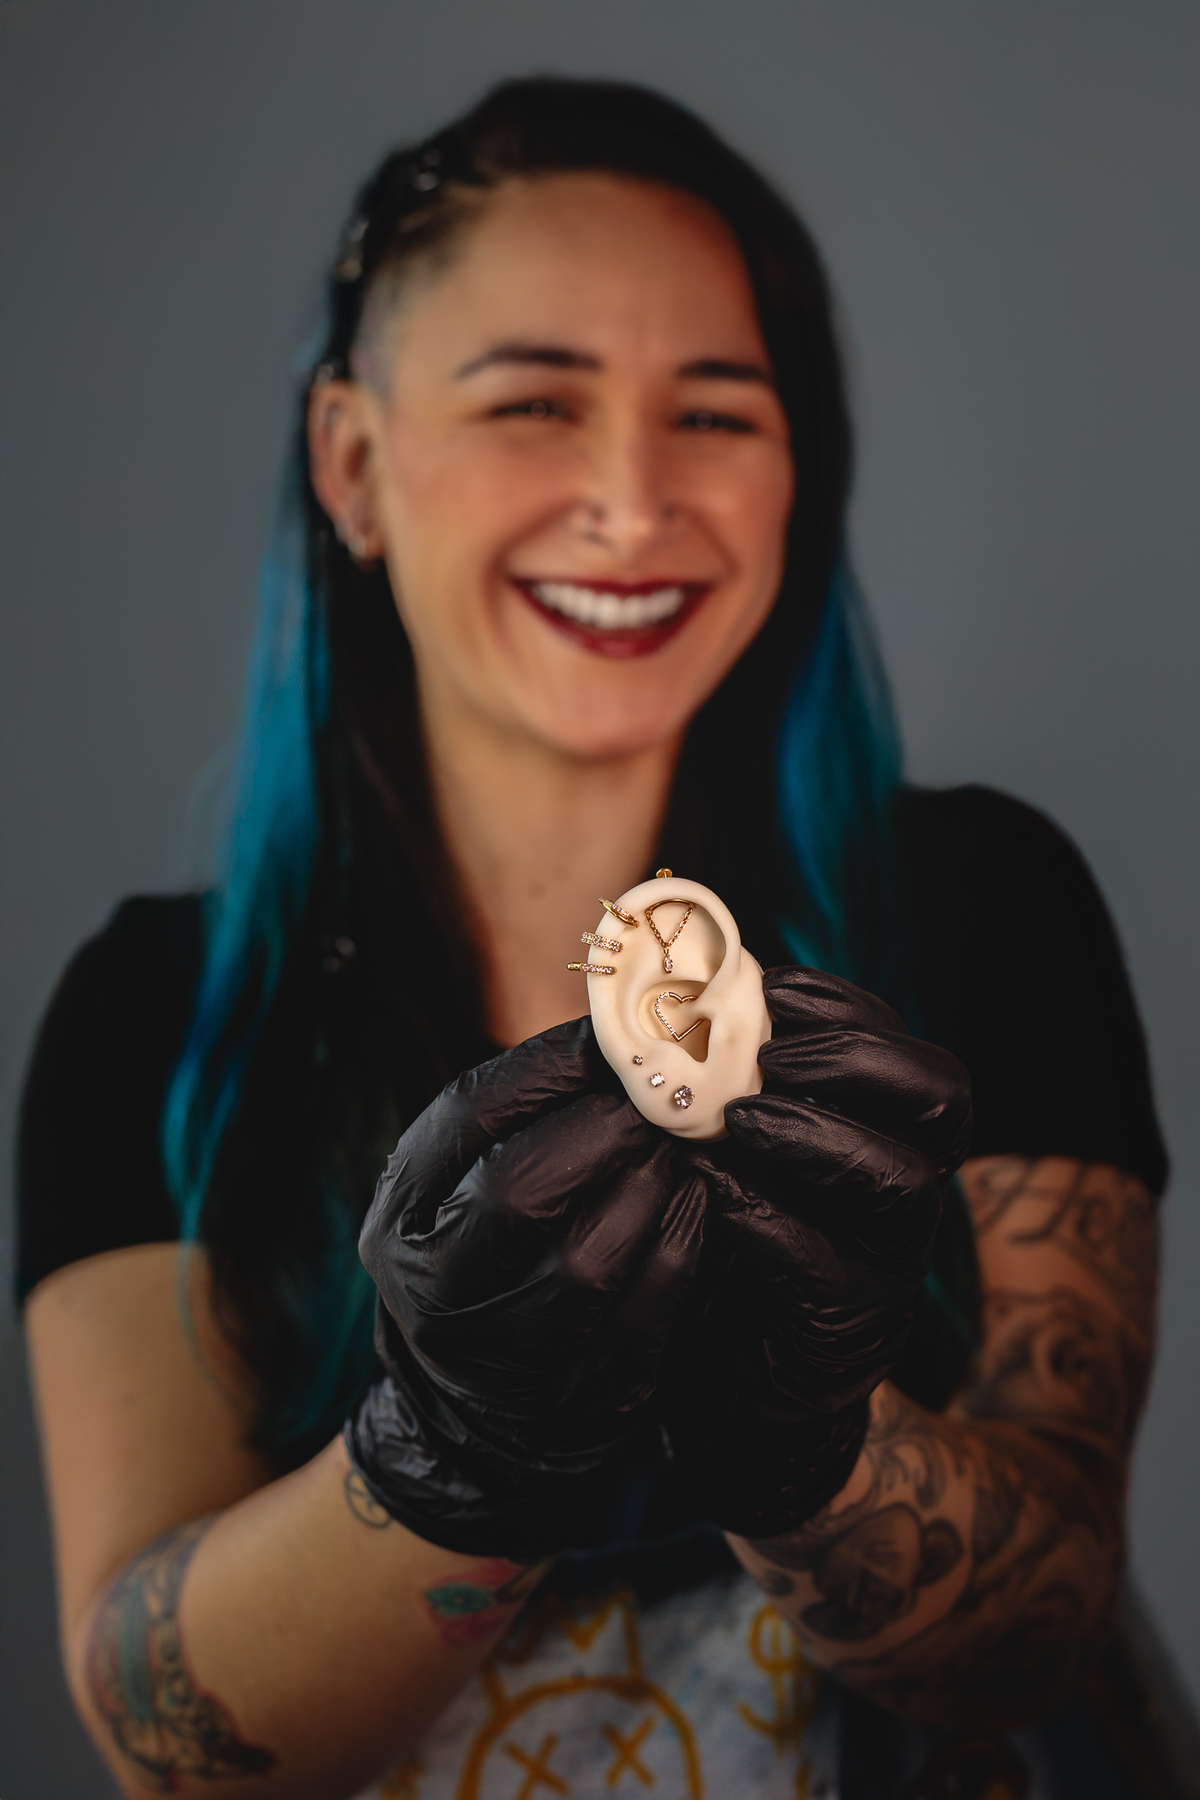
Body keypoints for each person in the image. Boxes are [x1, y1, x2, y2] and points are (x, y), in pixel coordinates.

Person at [16, 78, 1174, 1800]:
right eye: (535, 403)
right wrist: (450, 1450)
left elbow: (1045, 1624)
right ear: (353, 462)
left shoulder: (982, 908)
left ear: (797, 471)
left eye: (714, 413)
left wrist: (805, 1442)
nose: (633, 503)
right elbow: (167, 1738)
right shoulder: (155, 1020)